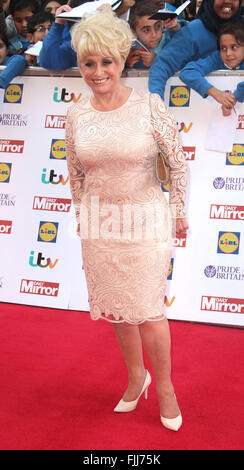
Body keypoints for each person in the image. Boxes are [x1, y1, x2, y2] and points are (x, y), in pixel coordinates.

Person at [65, 8, 188, 432]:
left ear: (121, 59)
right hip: (101, 224)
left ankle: (166, 389)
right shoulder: (76, 114)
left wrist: (179, 211)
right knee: (119, 311)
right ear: (80, 64)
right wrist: (83, 217)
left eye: (106, 62)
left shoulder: (149, 105)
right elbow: (76, 174)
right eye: (88, 63)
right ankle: (137, 378)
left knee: (150, 311)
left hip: (145, 222)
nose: (98, 72)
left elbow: (177, 164)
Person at [149, 0, 244, 99]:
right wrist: (157, 102)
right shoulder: (193, 32)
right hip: (193, 108)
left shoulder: (241, 29)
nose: (227, 1)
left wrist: (236, 97)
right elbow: (163, 64)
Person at [179, 21, 244, 116]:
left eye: (234, 47)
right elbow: (187, 72)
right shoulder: (216, 58)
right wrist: (214, 92)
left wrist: (235, 97)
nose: (228, 53)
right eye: (223, 48)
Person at [126, 0, 180, 69]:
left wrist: (157, 61)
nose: (154, 35)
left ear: (162, 23)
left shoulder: (172, 41)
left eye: (157, 26)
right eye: (146, 30)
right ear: (133, 32)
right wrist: (127, 66)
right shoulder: (131, 52)